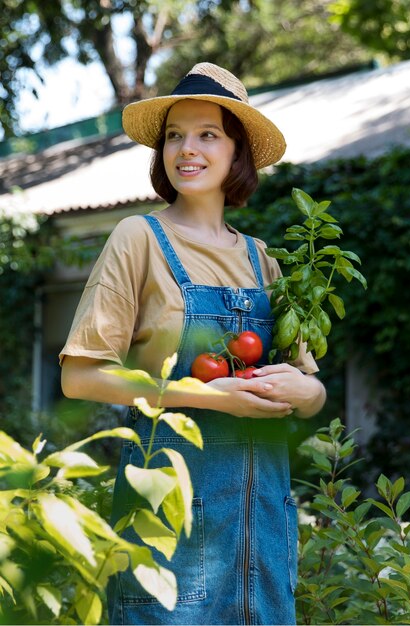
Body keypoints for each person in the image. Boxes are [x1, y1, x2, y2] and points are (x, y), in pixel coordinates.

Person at [60, 62, 326, 625]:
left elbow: (313, 393)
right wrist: (211, 397)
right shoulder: (139, 239)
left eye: (208, 134)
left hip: (263, 524)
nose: (187, 149)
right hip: (173, 520)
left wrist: (303, 390)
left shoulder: (266, 262)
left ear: (237, 153)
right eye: (174, 136)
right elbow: (80, 376)